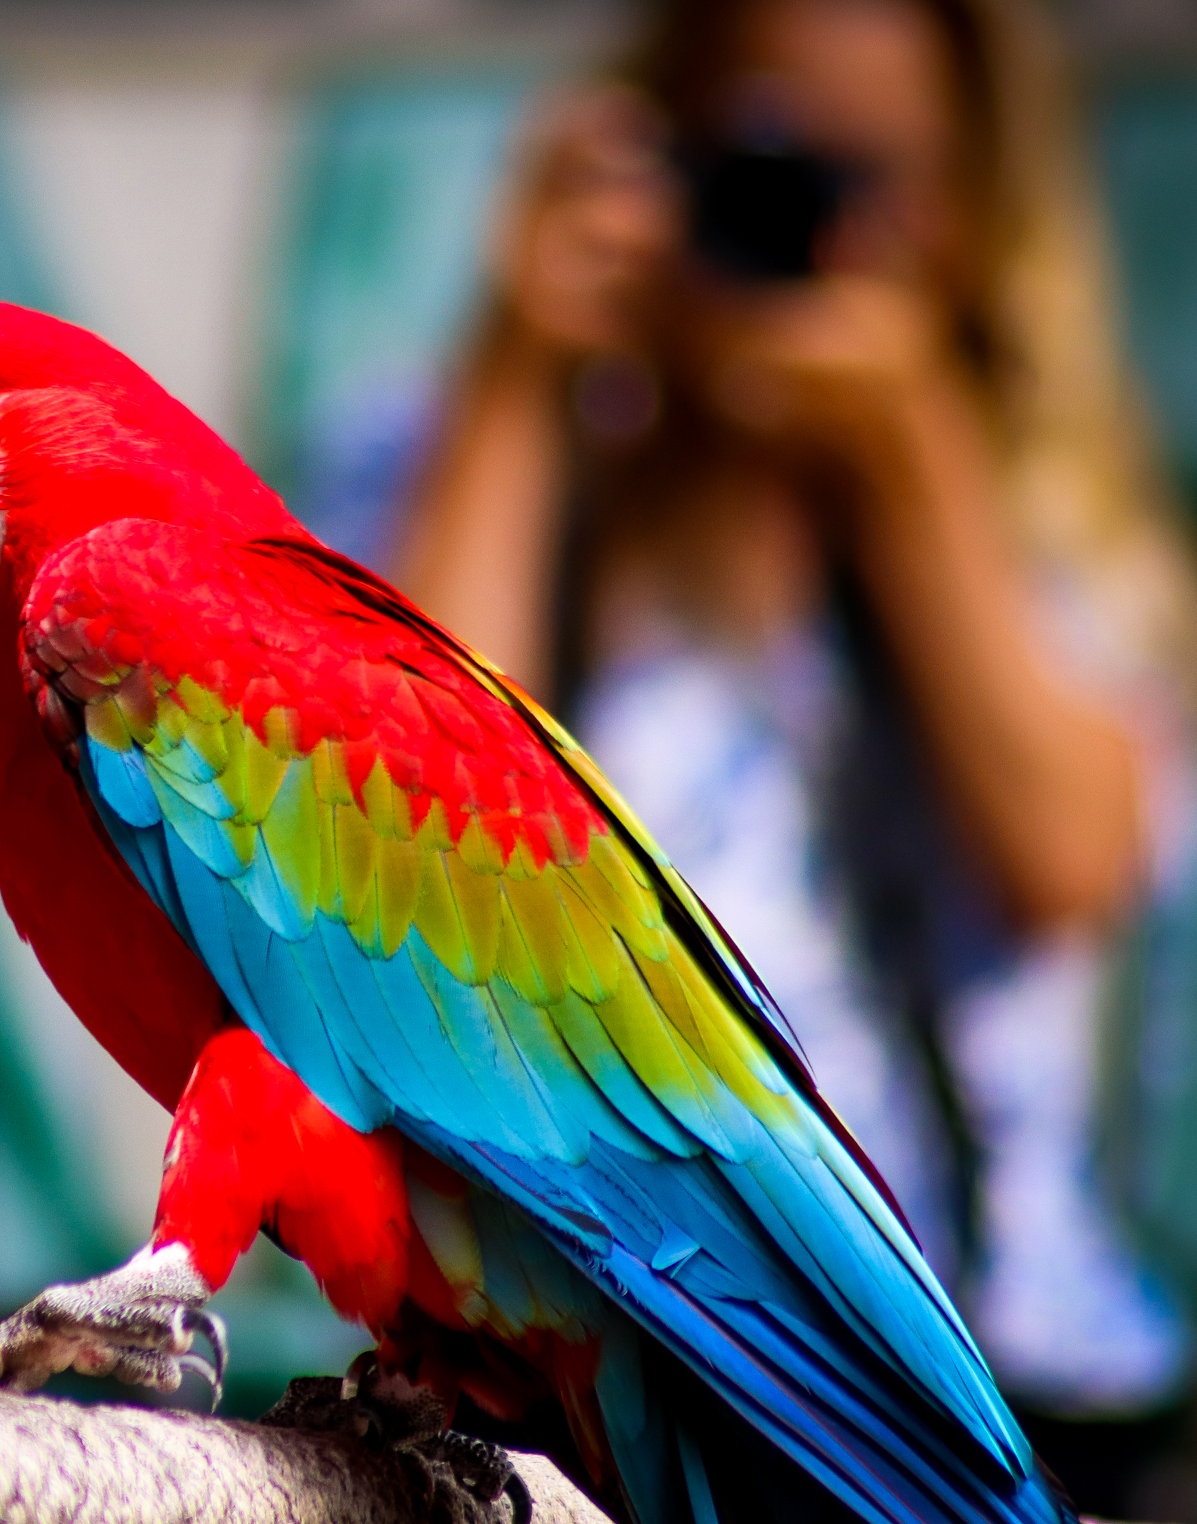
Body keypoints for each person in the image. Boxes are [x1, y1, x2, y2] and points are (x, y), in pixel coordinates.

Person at [395, 0, 1197, 1511]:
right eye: (761, 159)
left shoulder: (1044, 515)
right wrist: (517, 373)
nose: (803, 223)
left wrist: (905, 462)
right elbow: (400, 825)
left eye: (866, 176)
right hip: (637, 1390)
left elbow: (1067, 857)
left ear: (968, 217)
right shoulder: (513, 465)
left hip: (1003, 1400)